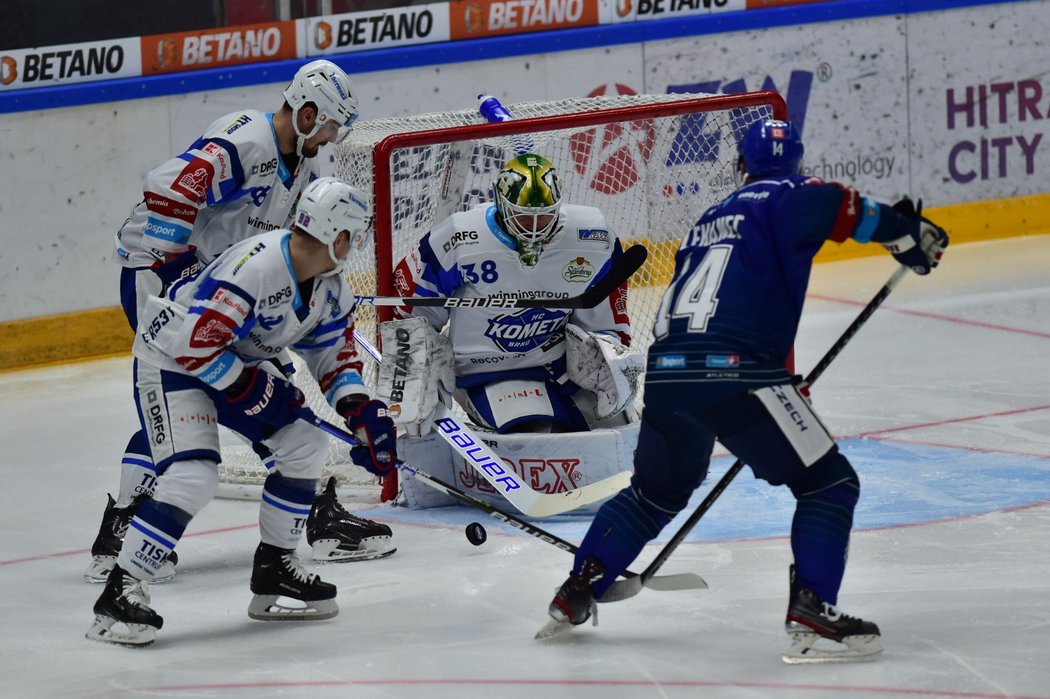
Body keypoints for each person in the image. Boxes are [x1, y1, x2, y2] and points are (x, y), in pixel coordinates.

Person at [544, 119, 950, 663]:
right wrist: (907, 233)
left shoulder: (708, 220)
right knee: (829, 483)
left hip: (669, 373)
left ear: (740, 168)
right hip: (735, 371)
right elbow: (852, 210)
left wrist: (782, 381)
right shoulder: (795, 194)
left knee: (654, 494)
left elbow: (728, 306)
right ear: (798, 164)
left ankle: (580, 586)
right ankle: (813, 612)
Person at [86, 59, 392, 585]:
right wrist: (182, 274)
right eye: (331, 123)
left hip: (230, 288)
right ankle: (124, 523)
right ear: (309, 111)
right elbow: (171, 191)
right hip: (163, 273)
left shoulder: (308, 171)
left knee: (263, 388)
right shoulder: (246, 140)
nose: (334, 135)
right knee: (185, 386)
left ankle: (308, 505)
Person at [86, 177, 398, 647]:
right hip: (171, 363)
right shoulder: (256, 267)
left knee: (306, 443)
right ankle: (122, 588)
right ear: (338, 237)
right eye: (353, 237)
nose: (354, 246)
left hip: (230, 363)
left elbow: (335, 357)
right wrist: (252, 388)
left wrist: (360, 412)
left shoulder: (329, 288)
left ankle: (275, 568)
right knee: (194, 476)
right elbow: (196, 347)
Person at [378, 153, 645, 507]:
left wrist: (608, 347)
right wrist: (413, 368)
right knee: (536, 436)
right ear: (501, 206)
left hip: (558, 365)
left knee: (624, 424)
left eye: (543, 217)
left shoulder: (590, 236)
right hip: (486, 372)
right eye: (523, 217)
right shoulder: (461, 238)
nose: (533, 228)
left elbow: (606, 305)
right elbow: (404, 306)